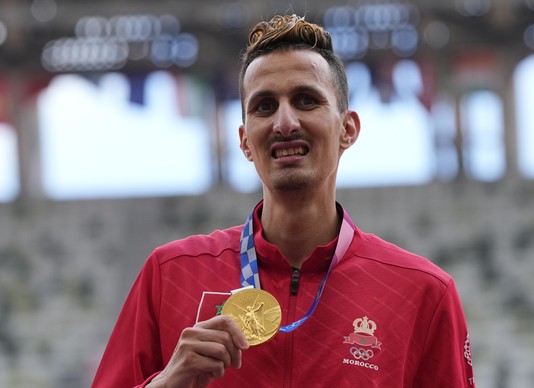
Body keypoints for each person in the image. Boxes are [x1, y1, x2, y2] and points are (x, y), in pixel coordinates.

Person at [92, 14, 476, 388]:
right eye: (264, 106)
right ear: (244, 140)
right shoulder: (170, 273)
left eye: (306, 100)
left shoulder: (422, 292)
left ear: (348, 129)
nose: (285, 122)